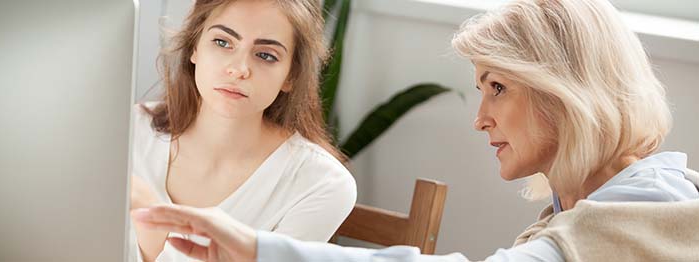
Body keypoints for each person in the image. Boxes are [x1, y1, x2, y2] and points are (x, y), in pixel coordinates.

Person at [132, 0, 699, 261]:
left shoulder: (637, 223)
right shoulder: (590, 213)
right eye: (222, 43)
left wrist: (258, 249)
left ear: (564, 91)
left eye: (497, 87)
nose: (479, 117)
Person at [128, 0, 357, 261]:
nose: (239, 69)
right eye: (222, 42)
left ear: (291, 75)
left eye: (265, 55)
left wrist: (153, 230)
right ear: (194, 47)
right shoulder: (128, 132)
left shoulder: (320, 185)